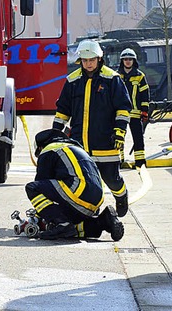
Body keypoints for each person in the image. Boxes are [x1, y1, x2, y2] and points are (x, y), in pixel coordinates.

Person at [52, 40, 132, 218]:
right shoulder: (72, 81)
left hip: (106, 140)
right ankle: (90, 211)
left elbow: (123, 108)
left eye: (92, 60)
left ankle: (121, 196)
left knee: (111, 178)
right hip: (79, 143)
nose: (88, 64)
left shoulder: (112, 79)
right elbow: (63, 111)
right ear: (80, 60)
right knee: (86, 181)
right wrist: (55, 134)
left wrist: (119, 132)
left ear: (99, 59)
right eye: (84, 60)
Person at [26, 129, 124, 241]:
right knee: (70, 227)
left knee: (32, 188)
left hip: (77, 191)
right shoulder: (75, 148)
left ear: (40, 147)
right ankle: (104, 221)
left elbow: (41, 184)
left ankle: (62, 224)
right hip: (95, 200)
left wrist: (40, 217)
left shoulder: (48, 150)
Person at [118, 48, 150, 169]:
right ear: (122, 61)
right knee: (118, 137)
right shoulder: (117, 76)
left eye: (130, 59)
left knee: (138, 139)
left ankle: (140, 162)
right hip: (120, 114)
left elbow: (145, 94)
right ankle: (119, 161)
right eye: (125, 59)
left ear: (134, 61)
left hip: (135, 114)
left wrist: (145, 110)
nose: (127, 61)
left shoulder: (140, 76)